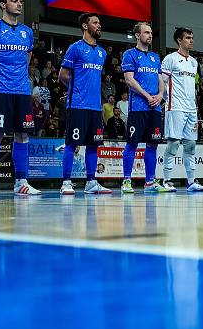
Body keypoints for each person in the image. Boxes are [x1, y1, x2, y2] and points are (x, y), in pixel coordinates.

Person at [57, 12, 111, 195]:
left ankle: (91, 182)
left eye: (100, 23)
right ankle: (66, 182)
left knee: (93, 145)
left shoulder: (102, 53)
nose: (99, 25)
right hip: (77, 105)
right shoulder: (75, 48)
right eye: (95, 23)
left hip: (95, 107)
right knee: (72, 144)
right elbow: (62, 75)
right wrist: (76, 89)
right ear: (85, 26)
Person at [120, 21, 165, 193]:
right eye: (146, 32)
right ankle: (126, 181)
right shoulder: (129, 54)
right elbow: (129, 80)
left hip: (155, 108)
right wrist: (147, 96)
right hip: (138, 108)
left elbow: (161, 81)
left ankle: (150, 182)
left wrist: (160, 96)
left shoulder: (155, 57)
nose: (150, 35)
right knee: (132, 144)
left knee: (153, 145)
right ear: (138, 35)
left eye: (151, 33)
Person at [161, 27, 203, 192]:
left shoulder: (194, 62)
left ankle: (191, 182)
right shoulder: (170, 59)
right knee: (173, 144)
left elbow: (192, 88)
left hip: (191, 109)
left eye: (192, 37)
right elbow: (162, 82)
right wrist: (165, 99)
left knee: (190, 146)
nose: (191, 40)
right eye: (188, 38)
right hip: (175, 107)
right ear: (179, 40)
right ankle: (166, 180)